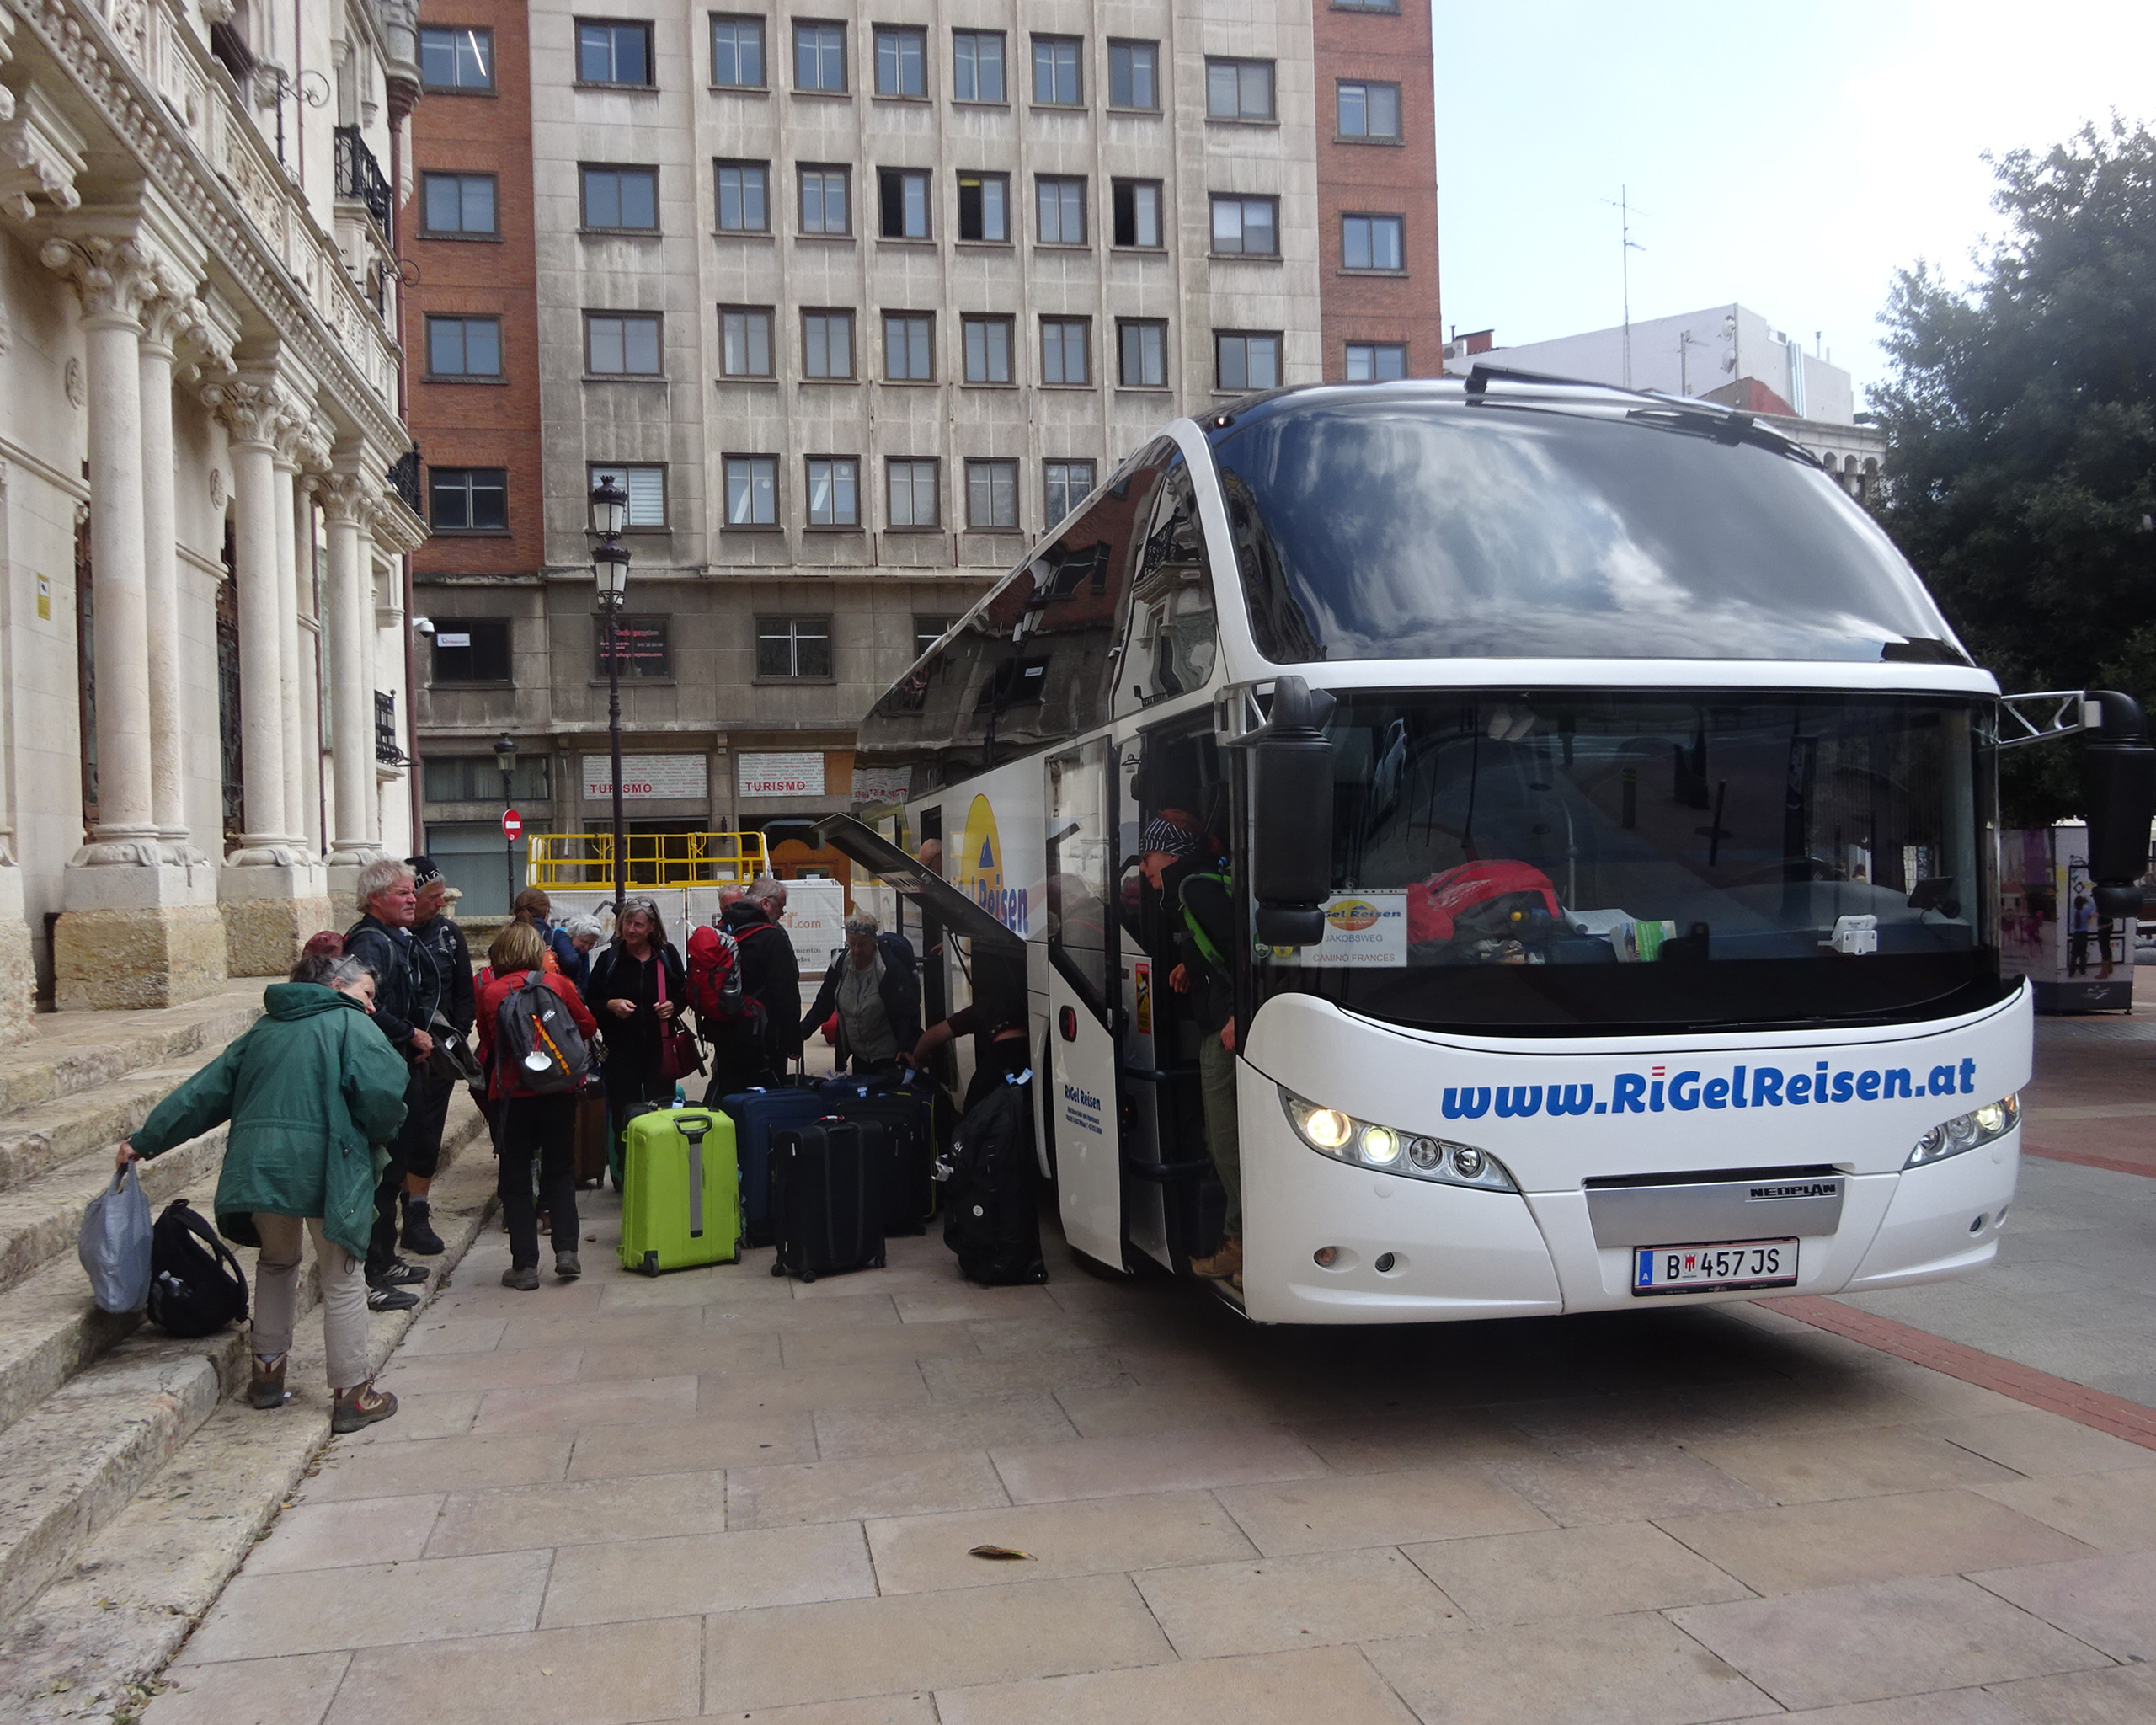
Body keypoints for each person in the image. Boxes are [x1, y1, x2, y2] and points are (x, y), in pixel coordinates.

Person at [117, 949, 410, 1433]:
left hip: (260, 1168)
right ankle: (353, 1394)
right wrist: (379, 1136)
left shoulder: (264, 1029)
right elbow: (382, 1096)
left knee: (276, 1264)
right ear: (338, 986)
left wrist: (145, 1140)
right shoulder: (351, 1025)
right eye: (368, 994)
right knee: (342, 1278)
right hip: (326, 1168)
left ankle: (266, 1378)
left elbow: (202, 1093)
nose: (373, 1006)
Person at [1137, 817, 1242, 1290]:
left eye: (1148, 857)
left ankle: (1241, 1245)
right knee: (1223, 1141)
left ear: (1171, 857)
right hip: (1217, 1023)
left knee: (1226, 1141)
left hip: (1227, 1030)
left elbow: (1249, 951)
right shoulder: (1192, 888)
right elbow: (1220, 946)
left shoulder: (1193, 891)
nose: (1142, 869)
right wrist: (1190, 964)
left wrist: (1242, 1011)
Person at [477, 922, 599, 1289]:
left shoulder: (490, 991)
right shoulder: (557, 983)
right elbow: (588, 1025)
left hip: (513, 1095)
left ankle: (525, 1267)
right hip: (559, 1090)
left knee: (515, 1179)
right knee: (559, 1171)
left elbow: (488, 1044)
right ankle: (566, 1253)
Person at [344, 857, 433, 1311]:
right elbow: (364, 1006)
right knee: (384, 1170)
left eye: (412, 891)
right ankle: (374, 1268)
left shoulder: (393, 938)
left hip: (399, 1064)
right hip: (384, 1069)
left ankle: (387, 1256)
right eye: (402, 892)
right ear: (376, 898)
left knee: (397, 1166)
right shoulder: (370, 943)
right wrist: (409, 1033)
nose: (412, 898)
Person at [398, 857, 475, 1257]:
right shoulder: (385, 938)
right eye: (435, 896)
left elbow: (465, 991)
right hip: (399, 1053)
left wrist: (457, 1037)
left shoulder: (449, 935)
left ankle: (416, 1213)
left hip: (439, 1056)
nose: (442, 902)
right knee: (399, 1137)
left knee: (428, 1138)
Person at [586, 896, 688, 1188]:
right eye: (627, 923)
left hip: (660, 1049)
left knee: (662, 1111)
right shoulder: (610, 959)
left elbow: (683, 991)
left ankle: (662, 1176)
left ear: (652, 927)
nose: (631, 930)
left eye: (638, 924)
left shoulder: (666, 955)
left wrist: (674, 1006)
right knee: (624, 1114)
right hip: (620, 1051)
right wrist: (611, 1005)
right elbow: (589, 1000)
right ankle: (628, 1179)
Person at [803, 912, 921, 1080]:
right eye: (852, 944)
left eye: (862, 944)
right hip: (859, 1054)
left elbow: (906, 1010)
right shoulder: (840, 965)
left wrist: (905, 1046)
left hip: (888, 1054)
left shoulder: (889, 969)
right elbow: (824, 1002)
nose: (856, 950)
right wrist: (802, 1032)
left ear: (874, 941)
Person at [911, 951, 1030, 1112]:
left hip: (999, 1065)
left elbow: (930, 1037)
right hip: (1031, 1064)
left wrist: (917, 1059)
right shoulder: (1031, 1000)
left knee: (975, 1113)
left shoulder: (985, 1006)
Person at [717, 876, 803, 1082]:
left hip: (725, 1032)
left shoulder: (722, 928)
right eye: (780, 907)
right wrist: (793, 1039)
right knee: (766, 1098)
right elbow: (786, 993)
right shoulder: (772, 937)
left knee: (730, 1092)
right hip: (764, 1036)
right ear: (765, 903)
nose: (782, 913)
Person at [513, 887, 585, 985]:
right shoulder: (555, 937)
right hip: (548, 993)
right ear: (547, 912)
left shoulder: (506, 936)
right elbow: (571, 961)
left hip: (511, 991)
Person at [560, 914, 606, 993]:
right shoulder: (558, 944)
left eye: (592, 944)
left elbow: (584, 981)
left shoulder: (583, 952)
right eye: (584, 942)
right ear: (573, 935)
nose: (586, 947)